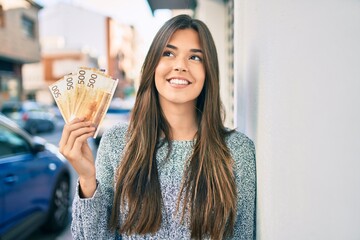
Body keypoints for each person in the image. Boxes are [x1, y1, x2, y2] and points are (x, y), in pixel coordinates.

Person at [59, 14, 256, 240]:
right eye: (168, 53)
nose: (180, 66)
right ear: (153, 65)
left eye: (195, 57)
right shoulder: (116, 143)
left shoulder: (238, 150)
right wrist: (86, 180)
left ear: (208, 71)